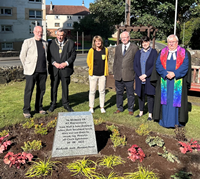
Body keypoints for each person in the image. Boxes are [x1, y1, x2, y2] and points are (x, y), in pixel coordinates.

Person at [151, 34, 191, 128]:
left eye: (173, 42)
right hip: (165, 80)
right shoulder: (162, 52)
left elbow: (185, 66)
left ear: (177, 42)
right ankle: (164, 121)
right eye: (169, 42)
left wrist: (175, 74)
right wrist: (165, 73)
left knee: (176, 101)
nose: (171, 44)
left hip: (178, 81)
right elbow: (158, 65)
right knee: (165, 101)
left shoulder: (184, 53)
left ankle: (176, 122)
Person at [20, 26, 48, 118]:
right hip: (31, 72)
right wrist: (27, 67)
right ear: (34, 32)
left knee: (41, 91)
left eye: (41, 32)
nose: (39, 33)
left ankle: (39, 107)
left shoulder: (45, 43)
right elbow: (22, 56)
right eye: (38, 31)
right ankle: (26, 110)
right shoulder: (27, 42)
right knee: (29, 90)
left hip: (43, 71)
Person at [48, 28, 76, 112]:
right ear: (56, 35)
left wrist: (66, 63)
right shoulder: (51, 43)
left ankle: (66, 104)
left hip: (65, 69)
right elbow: (48, 56)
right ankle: (53, 104)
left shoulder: (70, 43)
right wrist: (54, 63)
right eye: (58, 35)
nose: (60, 37)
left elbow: (73, 55)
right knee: (54, 87)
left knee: (65, 88)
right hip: (54, 69)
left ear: (64, 35)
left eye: (61, 35)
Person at [113, 31, 138, 115]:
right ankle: (119, 107)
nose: (124, 39)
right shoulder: (118, 47)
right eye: (122, 38)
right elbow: (116, 61)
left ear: (129, 38)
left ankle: (130, 108)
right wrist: (114, 72)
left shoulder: (134, 48)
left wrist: (135, 74)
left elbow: (136, 61)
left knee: (130, 93)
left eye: (125, 37)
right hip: (118, 75)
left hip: (129, 74)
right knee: (119, 93)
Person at [134, 36, 157, 120]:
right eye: (143, 42)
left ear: (149, 42)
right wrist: (140, 75)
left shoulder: (154, 52)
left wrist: (145, 75)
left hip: (149, 78)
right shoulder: (138, 53)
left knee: (150, 96)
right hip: (140, 78)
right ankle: (141, 112)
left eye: (146, 42)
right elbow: (135, 65)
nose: (144, 44)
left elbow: (154, 66)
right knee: (140, 95)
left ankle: (150, 114)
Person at [87, 36, 109, 114]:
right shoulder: (91, 50)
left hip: (102, 74)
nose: (98, 43)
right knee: (92, 91)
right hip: (93, 74)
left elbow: (107, 60)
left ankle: (102, 107)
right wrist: (91, 68)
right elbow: (88, 61)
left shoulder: (105, 50)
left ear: (101, 42)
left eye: (99, 41)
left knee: (102, 91)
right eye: (96, 41)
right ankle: (91, 107)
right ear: (94, 42)